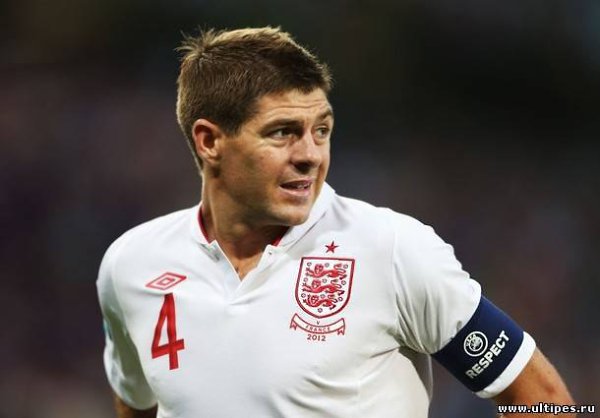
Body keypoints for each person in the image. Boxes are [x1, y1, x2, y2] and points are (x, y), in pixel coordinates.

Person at [97, 27, 574, 418]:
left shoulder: (391, 249)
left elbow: (544, 401)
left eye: (321, 130)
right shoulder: (132, 264)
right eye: (282, 132)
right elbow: (135, 401)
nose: (310, 155)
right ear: (209, 141)